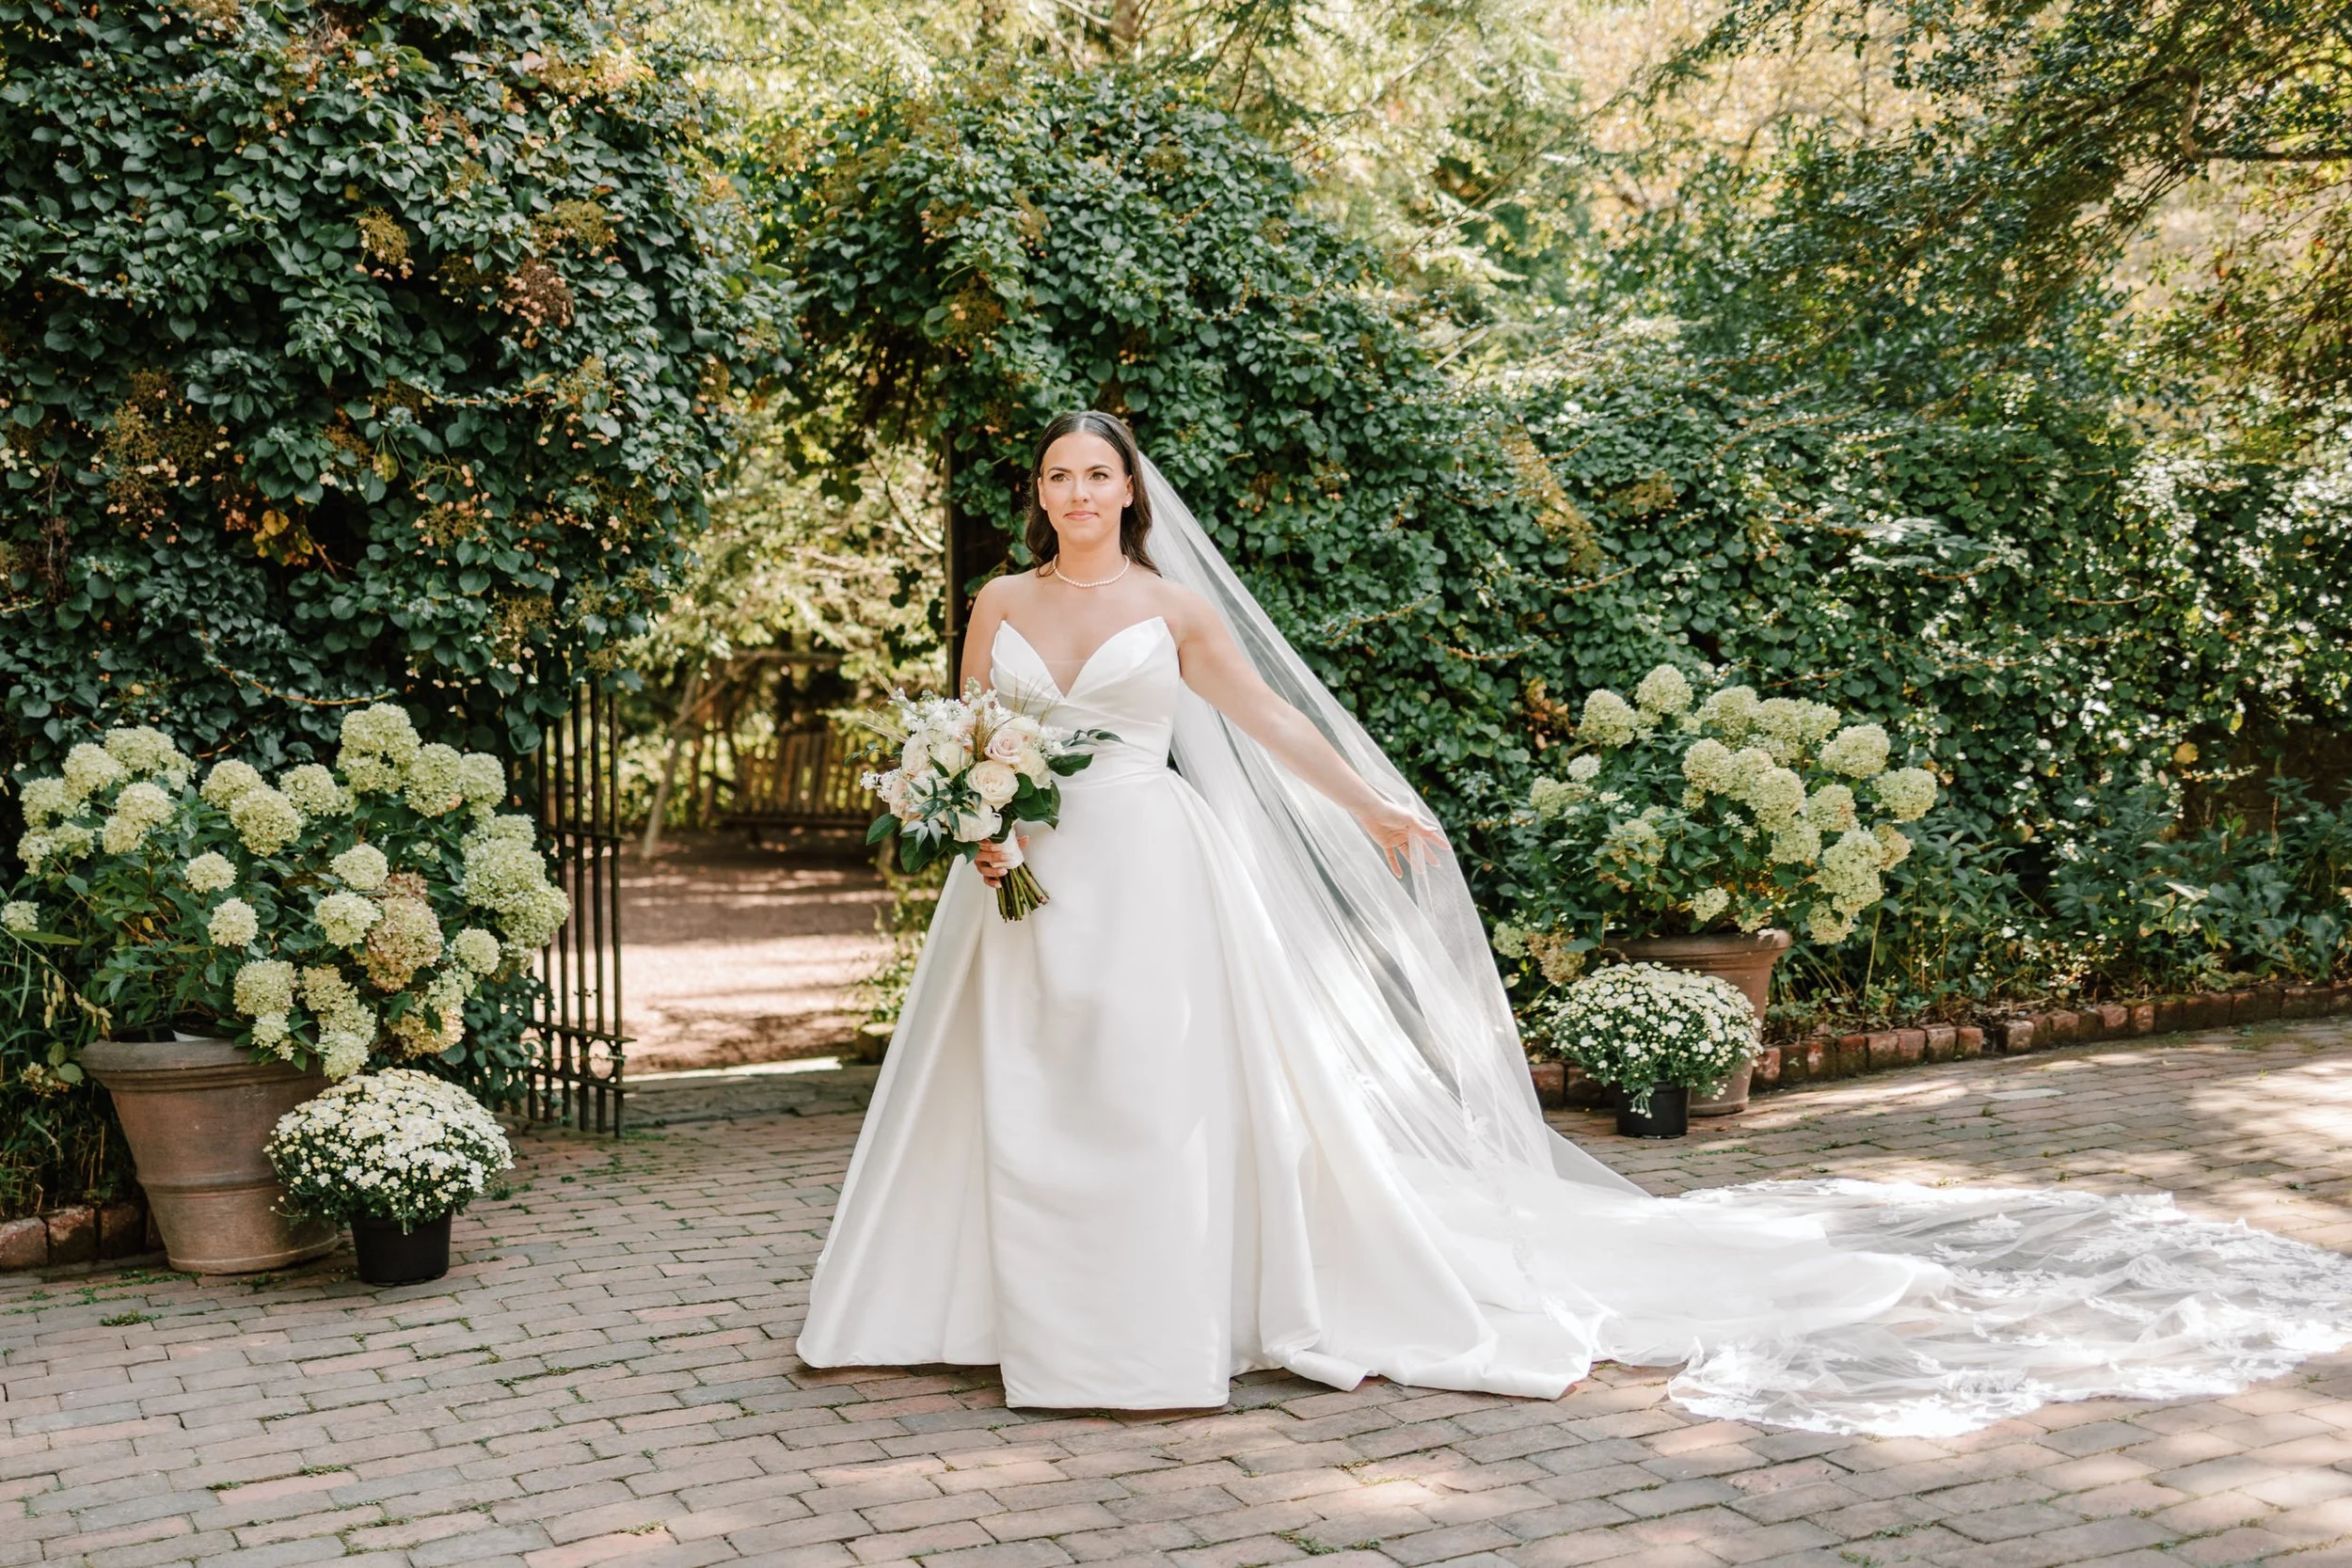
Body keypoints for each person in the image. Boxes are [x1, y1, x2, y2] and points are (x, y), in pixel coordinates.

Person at [795, 409, 2352, 1435]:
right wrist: (968, 810)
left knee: (1145, 1102)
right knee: (1013, 1095)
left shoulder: (1172, 608)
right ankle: (978, 1305)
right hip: (1012, 884)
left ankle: (1143, 1332)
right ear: (1038, 497)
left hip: (1150, 872)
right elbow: (958, 729)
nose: (1076, 494)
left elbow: (1263, 723)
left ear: (1130, 491)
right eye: (1056, 476)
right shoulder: (999, 602)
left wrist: (1375, 805)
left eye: (1097, 474)